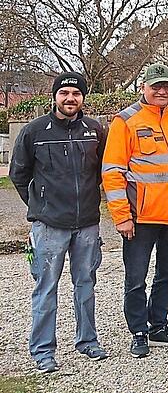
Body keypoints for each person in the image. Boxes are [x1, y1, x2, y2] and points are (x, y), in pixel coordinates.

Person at [9, 72, 108, 372]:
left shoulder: (95, 130)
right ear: (54, 96)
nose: (70, 98)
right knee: (46, 287)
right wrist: (40, 205)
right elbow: (18, 173)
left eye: (76, 94)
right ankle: (43, 350)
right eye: (64, 93)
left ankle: (87, 341)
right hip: (49, 226)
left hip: (87, 223)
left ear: (83, 98)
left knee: (86, 284)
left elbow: (103, 171)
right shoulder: (35, 131)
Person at [102, 63, 168, 357]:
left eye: (166, 86)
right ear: (143, 87)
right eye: (156, 86)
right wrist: (122, 217)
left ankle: (158, 325)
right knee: (136, 279)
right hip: (139, 218)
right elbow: (112, 173)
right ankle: (138, 332)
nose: (162, 91)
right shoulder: (125, 121)